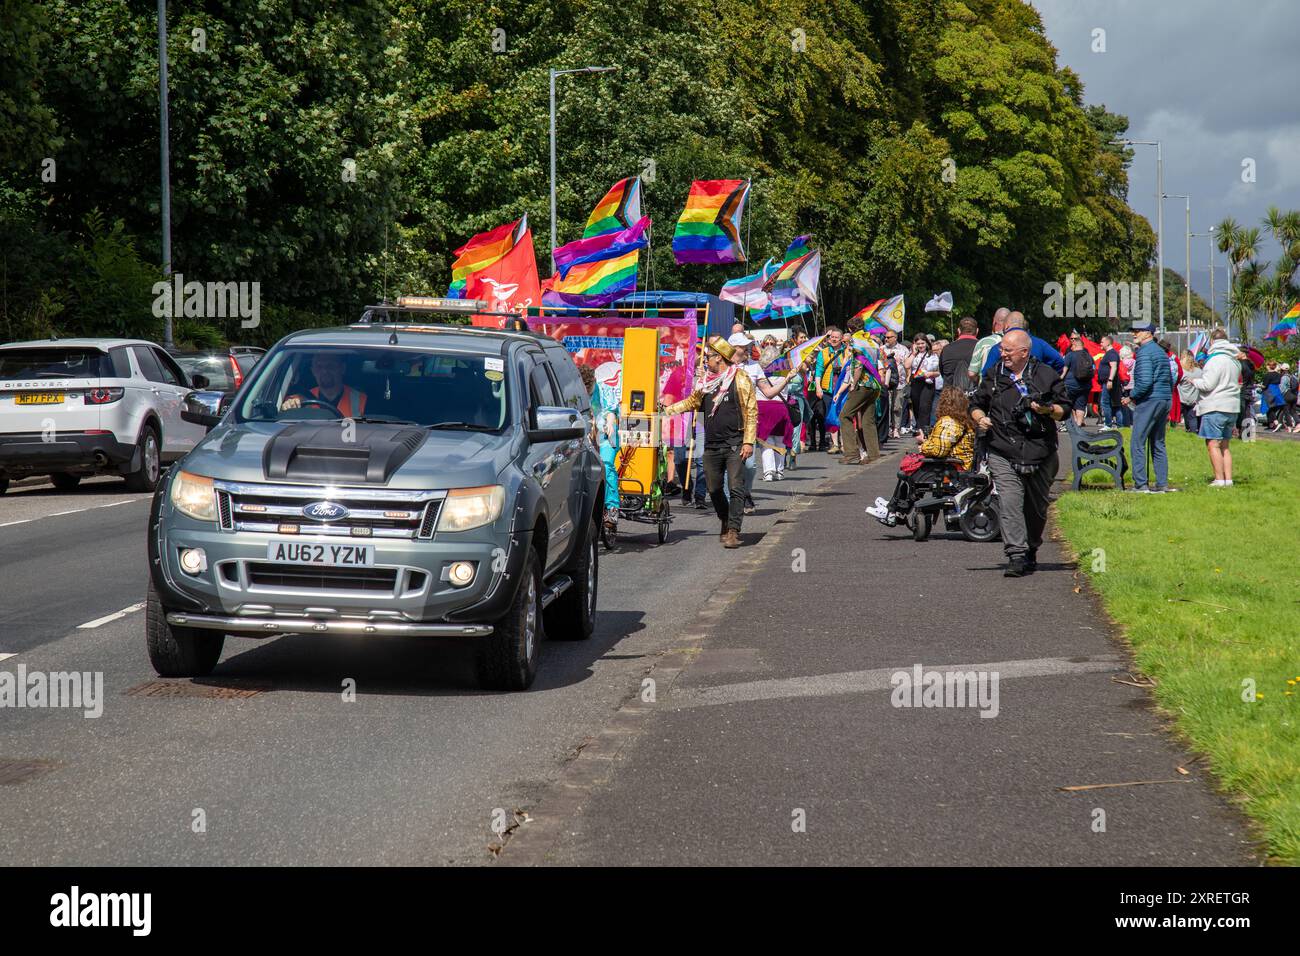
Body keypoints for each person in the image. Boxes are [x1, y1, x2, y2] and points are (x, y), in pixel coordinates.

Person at [969, 329, 1068, 577]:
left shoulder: (1046, 375)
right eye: (1001, 349)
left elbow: (1064, 408)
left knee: (1036, 509)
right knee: (1010, 501)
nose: (1002, 354)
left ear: (1024, 352)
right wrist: (980, 418)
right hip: (1002, 449)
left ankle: (1031, 548)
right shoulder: (993, 376)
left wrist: (1048, 410)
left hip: (1040, 451)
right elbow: (976, 404)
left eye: (1007, 350)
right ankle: (1015, 554)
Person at [660, 336, 757, 549]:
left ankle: (733, 530)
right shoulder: (706, 383)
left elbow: (751, 411)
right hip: (712, 445)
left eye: (709, 357)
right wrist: (666, 410)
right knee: (713, 490)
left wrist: (748, 441)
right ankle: (724, 517)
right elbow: (691, 402)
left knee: (735, 488)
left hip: (735, 444)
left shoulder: (741, 379)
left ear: (720, 359)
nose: (706, 361)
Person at [866, 386, 977, 525]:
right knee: (912, 472)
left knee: (911, 472)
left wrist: (923, 443)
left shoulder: (949, 421)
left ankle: (894, 511)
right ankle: (894, 507)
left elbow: (939, 450)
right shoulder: (963, 420)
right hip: (958, 464)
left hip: (952, 467)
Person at [1182, 328, 1242, 486]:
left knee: (1213, 444)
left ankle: (1219, 479)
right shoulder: (1234, 360)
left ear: (1213, 342)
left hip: (1216, 406)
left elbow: (1208, 384)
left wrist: (1194, 381)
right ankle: (1228, 479)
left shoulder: (1214, 360)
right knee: (1225, 445)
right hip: (1232, 405)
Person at [1123, 320, 1174, 493]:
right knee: (1158, 442)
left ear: (1148, 333)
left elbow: (1144, 382)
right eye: (1133, 330)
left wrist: (1131, 396)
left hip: (1150, 400)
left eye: (1137, 330)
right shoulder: (1160, 351)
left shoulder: (1144, 352)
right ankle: (1162, 483)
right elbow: (1170, 379)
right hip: (1164, 398)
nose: (1134, 333)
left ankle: (1141, 484)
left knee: (1138, 441)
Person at [981, 312, 1067, 377]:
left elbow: (986, 374)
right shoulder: (1040, 344)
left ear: (1006, 326)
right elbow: (1059, 362)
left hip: (1007, 394)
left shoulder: (998, 348)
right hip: (1036, 393)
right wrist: (1044, 380)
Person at [281, 352, 368, 415]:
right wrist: (288, 406)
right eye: (319, 366)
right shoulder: (299, 400)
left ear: (342, 368)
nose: (324, 371)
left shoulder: (361, 400)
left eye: (330, 366)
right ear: (313, 371)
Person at [814, 327, 850, 454]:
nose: (834, 339)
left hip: (843, 388)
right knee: (831, 415)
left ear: (842, 339)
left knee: (844, 415)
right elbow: (818, 371)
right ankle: (835, 444)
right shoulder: (823, 353)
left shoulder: (847, 352)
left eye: (836, 337)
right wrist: (818, 387)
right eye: (832, 337)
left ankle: (845, 443)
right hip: (828, 389)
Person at [906, 335, 940, 439]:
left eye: (922, 343)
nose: (920, 346)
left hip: (928, 382)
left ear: (926, 343)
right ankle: (920, 428)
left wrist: (931, 374)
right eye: (918, 344)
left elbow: (938, 372)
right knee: (916, 406)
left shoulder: (932, 355)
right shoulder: (914, 355)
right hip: (916, 382)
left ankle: (924, 431)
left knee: (924, 407)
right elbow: (907, 365)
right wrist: (913, 353)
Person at [968, 307, 1010, 384]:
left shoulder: (984, 342)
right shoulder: (1016, 342)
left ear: (994, 322)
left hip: (986, 389)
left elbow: (972, 373)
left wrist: (979, 381)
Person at [1061, 332, 1095, 427]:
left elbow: (1064, 370)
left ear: (1075, 344)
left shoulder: (1070, 355)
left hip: (1071, 384)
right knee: (1081, 405)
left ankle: (1072, 422)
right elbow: (1093, 369)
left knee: (1068, 403)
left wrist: (1059, 380)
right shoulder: (1088, 355)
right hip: (1085, 384)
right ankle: (1079, 423)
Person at [882, 329, 910, 437]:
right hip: (886, 382)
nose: (886, 339)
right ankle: (888, 428)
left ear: (895, 337)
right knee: (887, 405)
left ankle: (896, 428)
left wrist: (908, 377)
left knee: (897, 406)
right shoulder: (882, 349)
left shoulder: (903, 350)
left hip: (900, 382)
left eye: (889, 337)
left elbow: (908, 365)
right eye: (885, 337)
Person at [940, 317, 979, 392]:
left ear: (958, 330)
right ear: (977, 331)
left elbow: (942, 372)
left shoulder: (946, 349)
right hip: (975, 397)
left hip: (950, 397)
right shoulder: (981, 348)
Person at [1095, 335, 1121, 427]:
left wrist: (1110, 380)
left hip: (1109, 382)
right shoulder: (1109, 353)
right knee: (1112, 403)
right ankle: (1117, 425)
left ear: (1108, 343)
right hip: (1107, 382)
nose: (1100, 344)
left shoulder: (1112, 353)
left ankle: (1108, 424)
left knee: (1106, 403)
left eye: (1102, 342)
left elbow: (1114, 367)